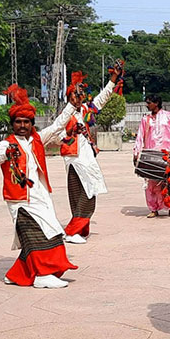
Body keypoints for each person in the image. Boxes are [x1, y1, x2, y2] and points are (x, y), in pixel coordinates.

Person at [0, 84, 80, 289]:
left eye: (26, 122)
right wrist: (6, 153)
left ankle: (16, 274)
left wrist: (71, 107)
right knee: (36, 235)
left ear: (32, 123)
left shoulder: (37, 140)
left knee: (52, 232)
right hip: (19, 200)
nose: (22, 125)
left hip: (40, 196)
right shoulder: (7, 143)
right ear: (12, 124)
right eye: (18, 122)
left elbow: (57, 125)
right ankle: (42, 275)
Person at [60, 66, 121, 243]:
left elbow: (102, 99)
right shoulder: (65, 115)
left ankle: (78, 230)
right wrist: (71, 131)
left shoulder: (86, 110)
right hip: (73, 159)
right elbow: (57, 135)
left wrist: (113, 79)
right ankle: (73, 231)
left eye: (80, 96)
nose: (78, 99)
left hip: (86, 157)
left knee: (88, 192)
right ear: (69, 98)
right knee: (81, 194)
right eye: (74, 96)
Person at [133, 94, 170, 218]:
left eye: (149, 102)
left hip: (167, 154)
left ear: (156, 103)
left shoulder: (168, 116)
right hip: (151, 154)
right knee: (152, 184)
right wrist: (136, 152)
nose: (147, 105)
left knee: (169, 182)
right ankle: (153, 208)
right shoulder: (146, 119)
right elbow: (140, 136)